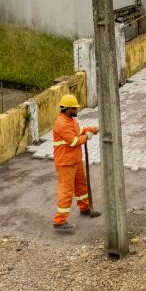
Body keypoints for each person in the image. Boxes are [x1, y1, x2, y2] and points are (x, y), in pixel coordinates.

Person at [52, 94, 98, 233]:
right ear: (68, 109)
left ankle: (84, 208)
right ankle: (59, 222)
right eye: (75, 108)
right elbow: (73, 141)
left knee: (81, 185)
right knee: (66, 192)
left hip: (75, 160)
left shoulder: (70, 120)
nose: (77, 110)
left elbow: (79, 131)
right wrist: (86, 137)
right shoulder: (62, 124)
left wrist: (91, 129)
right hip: (65, 163)